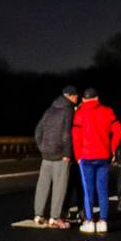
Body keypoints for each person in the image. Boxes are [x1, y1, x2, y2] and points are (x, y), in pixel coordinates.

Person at [70, 88, 121, 234]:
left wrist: (78, 156)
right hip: (104, 156)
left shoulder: (80, 113)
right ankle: (103, 221)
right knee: (103, 189)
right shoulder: (107, 111)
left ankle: (89, 221)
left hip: (86, 156)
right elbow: (118, 130)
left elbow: (76, 136)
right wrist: (112, 149)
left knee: (88, 190)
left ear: (83, 99)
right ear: (97, 98)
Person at [31, 86, 78, 228]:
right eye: (76, 96)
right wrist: (67, 153)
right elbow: (66, 133)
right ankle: (55, 217)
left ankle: (38, 215)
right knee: (59, 187)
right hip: (60, 155)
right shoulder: (68, 110)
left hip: (46, 155)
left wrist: (42, 147)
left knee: (43, 185)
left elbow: (38, 130)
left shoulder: (50, 110)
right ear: (70, 96)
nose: (77, 98)